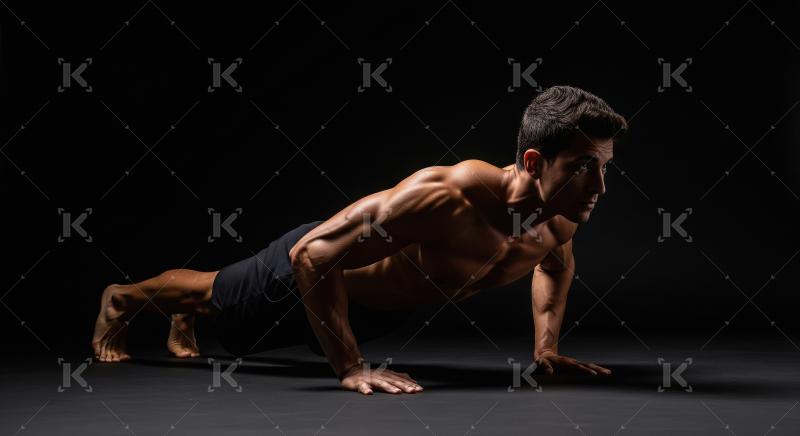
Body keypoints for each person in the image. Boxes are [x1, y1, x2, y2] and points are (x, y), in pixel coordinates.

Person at [92, 85, 627, 395]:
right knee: (212, 295)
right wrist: (349, 368)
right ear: (533, 161)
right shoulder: (447, 195)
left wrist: (546, 347)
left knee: (236, 337)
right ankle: (125, 297)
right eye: (584, 168)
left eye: (605, 168)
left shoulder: (561, 218)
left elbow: (555, 267)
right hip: (314, 274)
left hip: (371, 310)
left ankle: (190, 312)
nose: (600, 188)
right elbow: (314, 254)